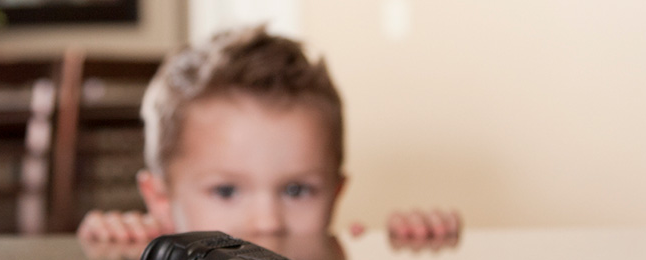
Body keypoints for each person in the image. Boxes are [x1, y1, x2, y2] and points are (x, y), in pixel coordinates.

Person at [77, 26, 459, 244]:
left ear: (336, 194)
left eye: (297, 190)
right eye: (226, 191)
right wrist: (118, 246)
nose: (267, 223)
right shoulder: (154, 256)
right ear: (161, 200)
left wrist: (415, 243)